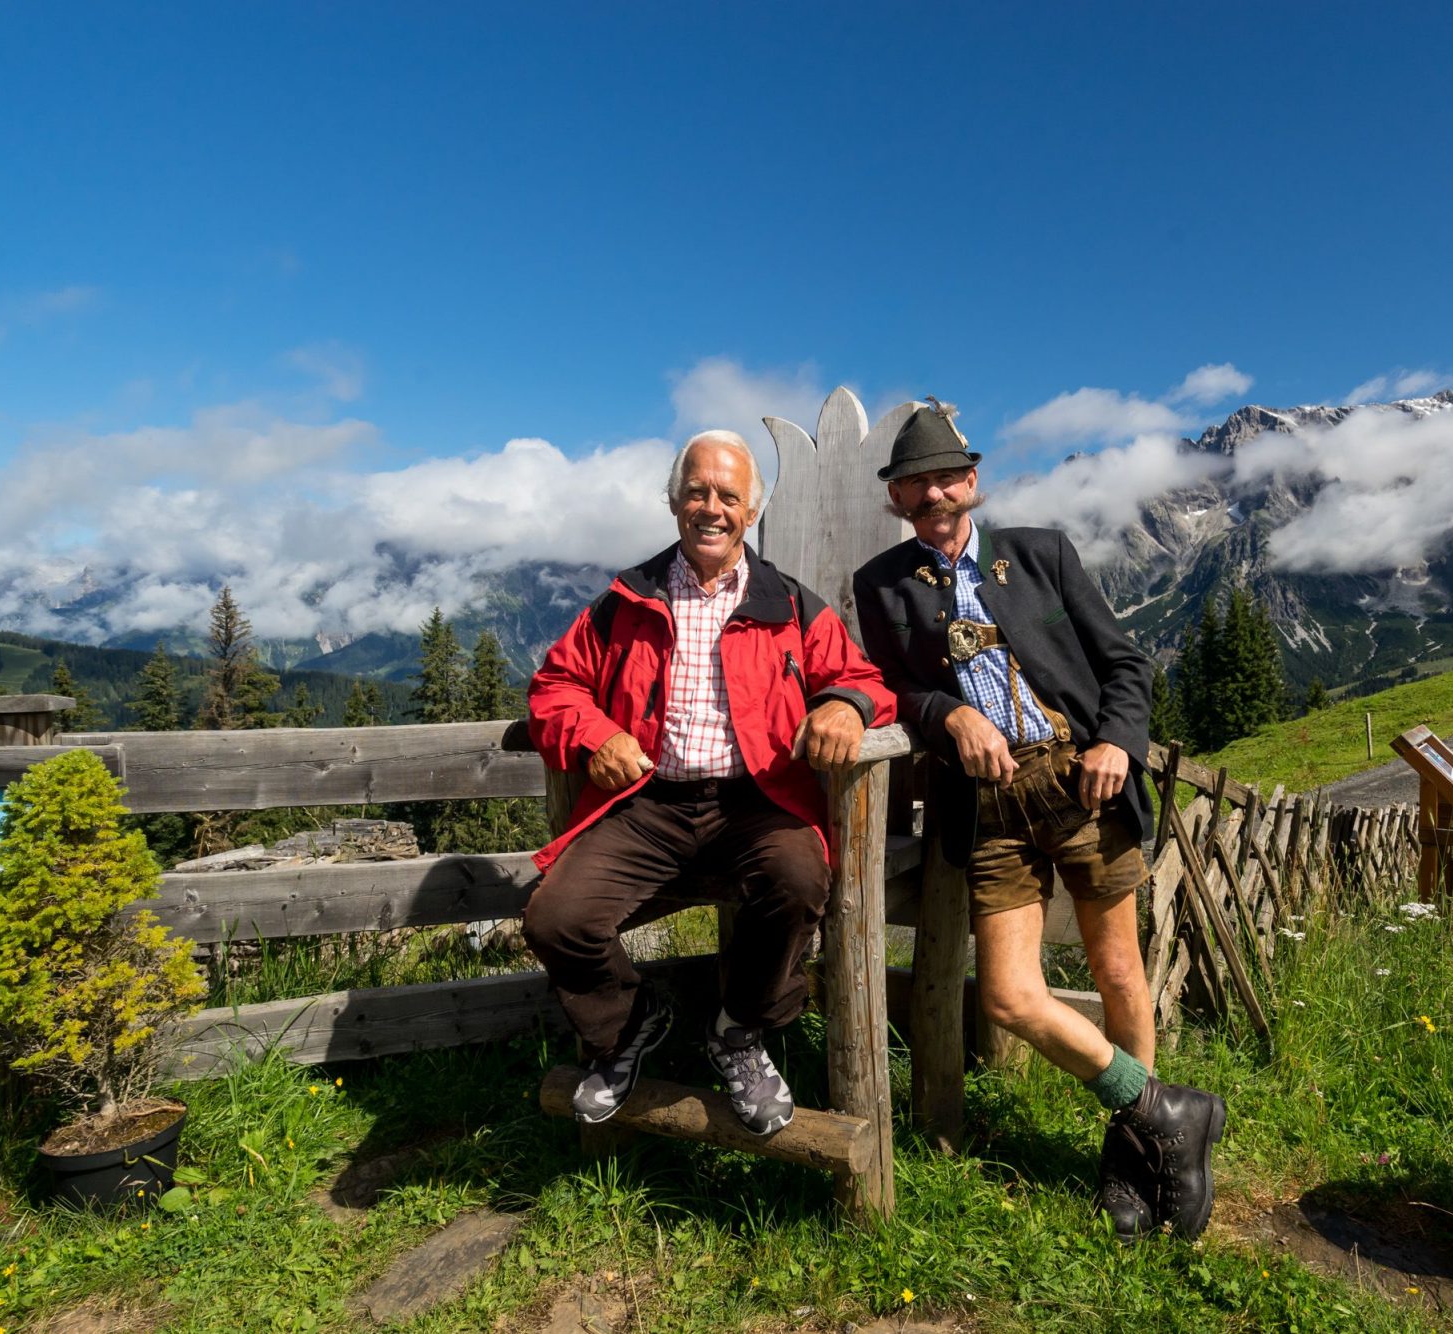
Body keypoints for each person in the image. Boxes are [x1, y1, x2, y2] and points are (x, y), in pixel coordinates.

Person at [852, 400, 1224, 1241]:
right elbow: (893, 688)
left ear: (972, 483)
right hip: (988, 808)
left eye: (946, 477)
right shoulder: (881, 586)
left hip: (1081, 782)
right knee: (1015, 996)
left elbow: (1121, 662)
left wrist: (1120, 745)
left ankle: (1133, 1162)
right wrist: (947, 714)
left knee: (1120, 976)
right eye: (915, 484)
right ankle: (1166, 1115)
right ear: (897, 500)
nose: (932, 495)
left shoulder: (1041, 553)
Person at [524, 429, 896, 1137]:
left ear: (751, 513)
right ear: (674, 502)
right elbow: (554, 688)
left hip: (758, 801)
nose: (711, 507)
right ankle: (632, 1023)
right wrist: (596, 735)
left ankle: (739, 1030)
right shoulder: (624, 600)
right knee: (555, 919)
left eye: (729, 495)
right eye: (697, 491)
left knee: (796, 880)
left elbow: (862, 679)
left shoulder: (789, 603)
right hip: (648, 806)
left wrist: (847, 706)